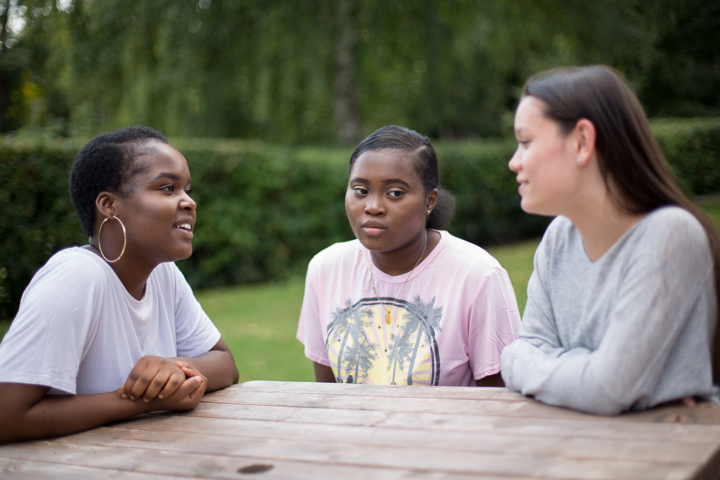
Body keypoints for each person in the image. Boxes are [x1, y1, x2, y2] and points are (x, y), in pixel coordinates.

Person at [500, 65, 720, 415]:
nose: (514, 162)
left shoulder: (669, 235)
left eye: (526, 142)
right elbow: (514, 354)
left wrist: (559, 367)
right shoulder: (559, 236)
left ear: (582, 141)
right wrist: (595, 371)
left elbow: (607, 388)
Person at [0, 126, 239, 443]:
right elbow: (8, 415)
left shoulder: (162, 273)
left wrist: (176, 368)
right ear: (109, 205)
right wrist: (140, 400)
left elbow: (225, 363)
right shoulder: (76, 277)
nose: (189, 203)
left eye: (188, 190)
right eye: (168, 188)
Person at [297, 125, 521, 386]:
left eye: (395, 193)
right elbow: (328, 393)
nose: (373, 207)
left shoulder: (477, 276)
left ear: (429, 201)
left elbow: (499, 400)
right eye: (360, 190)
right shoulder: (326, 268)